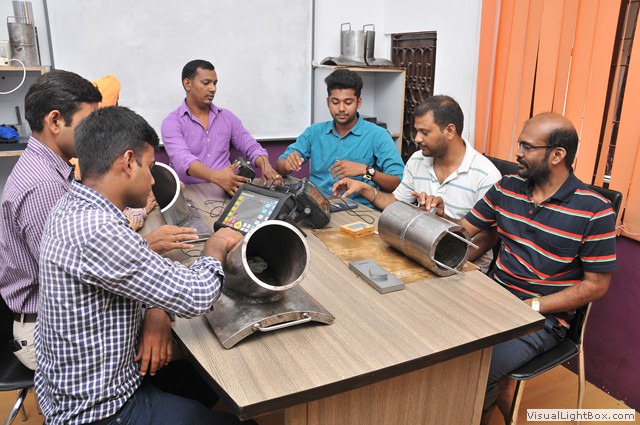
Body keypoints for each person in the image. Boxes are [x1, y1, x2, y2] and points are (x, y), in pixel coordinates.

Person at [35, 106, 252, 425]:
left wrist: (155, 310)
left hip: (84, 385)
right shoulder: (99, 230)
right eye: (149, 167)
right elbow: (197, 295)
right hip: (102, 412)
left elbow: (131, 273)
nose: (152, 179)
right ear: (127, 162)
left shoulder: (74, 205)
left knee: (203, 380)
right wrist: (216, 245)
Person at [418, 112, 617, 424]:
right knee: (428, 337)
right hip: (489, 298)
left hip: (541, 319)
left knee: (475, 370)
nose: (517, 153)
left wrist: (533, 305)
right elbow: (463, 231)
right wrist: (441, 215)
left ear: (557, 155)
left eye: (527, 147)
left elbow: (597, 285)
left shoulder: (595, 211)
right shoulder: (507, 187)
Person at [0, 70, 195, 373]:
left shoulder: (50, 168)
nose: (95, 132)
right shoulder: (44, 186)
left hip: (57, 318)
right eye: (88, 121)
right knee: (185, 338)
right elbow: (79, 270)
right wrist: (148, 262)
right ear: (55, 121)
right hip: (48, 333)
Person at [332, 95, 501, 270]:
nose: (417, 138)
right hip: (422, 256)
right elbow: (396, 203)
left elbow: (489, 236)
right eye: (416, 131)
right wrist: (364, 188)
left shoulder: (486, 175)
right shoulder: (417, 160)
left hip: (463, 268)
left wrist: (450, 261)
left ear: (450, 131)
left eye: (425, 132)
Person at [276, 69, 404, 209]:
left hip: (361, 212)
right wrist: (287, 164)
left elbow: (397, 182)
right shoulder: (314, 132)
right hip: (317, 208)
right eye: (335, 102)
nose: (341, 108)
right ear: (328, 102)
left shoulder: (378, 135)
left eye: (348, 102)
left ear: (358, 102)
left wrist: (366, 170)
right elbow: (280, 166)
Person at [162, 59, 279, 195]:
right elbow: (183, 160)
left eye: (215, 83)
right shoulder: (172, 122)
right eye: (206, 83)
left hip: (227, 191)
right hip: (190, 193)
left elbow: (251, 147)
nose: (213, 88)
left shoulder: (227, 118)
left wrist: (266, 166)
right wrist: (217, 177)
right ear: (188, 84)